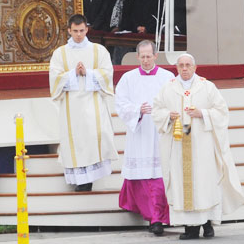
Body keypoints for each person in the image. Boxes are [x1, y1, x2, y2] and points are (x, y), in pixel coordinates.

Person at [152, 54, 244, 240]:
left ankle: (208, 224)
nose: (184, 69)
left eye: (188, 65)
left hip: (202, 145)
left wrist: (202, 113)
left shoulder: (207, 87)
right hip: (178, 144)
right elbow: (156, 110)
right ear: (176, 68)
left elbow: (221, 112)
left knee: (204, 184)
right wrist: (167, 116)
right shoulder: (168, 88)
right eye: (181, 66)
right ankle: (190, 229)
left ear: (195, 67)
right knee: (182, 184)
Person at [48, 14, 118, 192]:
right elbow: (54, 77)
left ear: (87, 29)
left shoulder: (98, 50)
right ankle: (78, 179)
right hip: (71, 106)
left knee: (92, 138)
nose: (79, 34)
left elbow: (107, 73)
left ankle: (89, 179)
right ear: (69, 30)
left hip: (93, 103)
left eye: (82, 30)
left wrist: (88, 73)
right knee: (75, 140)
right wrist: (73, 74)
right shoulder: (60, 53)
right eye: (75, 31)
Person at [115, 40, 175, 236]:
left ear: (156, 56)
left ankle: (159, 217)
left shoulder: (168, 77)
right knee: (142, 175)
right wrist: (137, 111)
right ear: (137, 57)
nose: (146, 60)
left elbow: (175, 101)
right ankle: (152, 217)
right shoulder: (128, 78)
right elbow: (121, 103)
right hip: (139, 132)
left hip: (160, 132)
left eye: (149, 56)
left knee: (158, 175)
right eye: (143, 57)